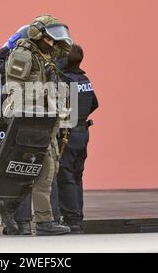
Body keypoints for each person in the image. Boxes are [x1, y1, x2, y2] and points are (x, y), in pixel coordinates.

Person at [0, 14, 73, 236]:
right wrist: (25, 119)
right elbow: (14, 87)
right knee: (44, 170)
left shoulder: (42, 54)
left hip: (44, 119)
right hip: (32, 121)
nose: (53, 42)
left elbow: (66, 50)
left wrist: (57, 39)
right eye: (49, 38)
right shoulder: (23, 55)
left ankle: (9, 207)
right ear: (38, 35)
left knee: (40, 169)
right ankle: (44, 222)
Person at [0, 25, 33, 235]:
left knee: (16, 172)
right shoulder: (13, 59)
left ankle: (16, 222)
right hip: (5, 124)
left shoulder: (35, 62)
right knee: (5, 171)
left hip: (18, 122)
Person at [55, 44, 98, 233]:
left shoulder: (65, 81)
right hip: (82, 132)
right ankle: (78, 218)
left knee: (65, 176)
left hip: (68, 133)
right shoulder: (84, 79)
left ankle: (71, 219)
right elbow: (94, 103)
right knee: (77, 176)